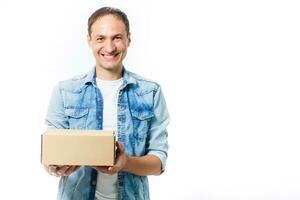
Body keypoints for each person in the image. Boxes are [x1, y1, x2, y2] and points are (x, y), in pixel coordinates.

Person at [43, 6, 170, 200]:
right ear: (89, 41)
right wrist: (56, 167)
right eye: (101, 38)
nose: (109, 48)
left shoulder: (150, 92)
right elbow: (52, 154)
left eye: (117, 38)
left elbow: (159, 162)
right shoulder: (64, 92)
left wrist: (125, 162)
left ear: (128, 39)